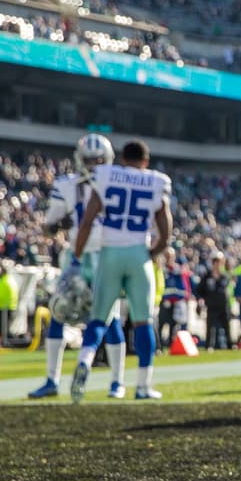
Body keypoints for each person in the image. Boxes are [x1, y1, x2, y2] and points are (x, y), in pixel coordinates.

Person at [69, 139, 173, 402]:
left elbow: (87, 220)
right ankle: (143, 386)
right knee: (143, 322)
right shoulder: (156, 181)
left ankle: (85, 360)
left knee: (98, 318)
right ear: (146, 162)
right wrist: (150, 253)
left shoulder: (107, 175)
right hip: (139, 251)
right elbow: (166, 232)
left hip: (110, 252)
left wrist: (78, 255)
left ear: (122, 159)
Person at [31, 134, 128, 399]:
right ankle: (52, 379)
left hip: (102, 255)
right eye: (90, 160)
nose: (95, 164)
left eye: (99, 159)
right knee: (59, 313)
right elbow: (49, 228)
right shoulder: (67, 185)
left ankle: (117, 382)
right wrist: (61, 224)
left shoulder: (113, 183)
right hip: (81, 256)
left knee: (111, 319)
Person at [197, 253, 232, 351]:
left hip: (223, 305)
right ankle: (209, 346)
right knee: (210, 327)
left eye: (220, 262)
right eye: (216, 262)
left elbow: (226, 288)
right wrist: (202, 299)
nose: (218, 264)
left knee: (226, 326)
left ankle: (230, 345)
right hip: (211, 305)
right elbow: (200, 290)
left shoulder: (225, 276)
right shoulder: (207, 276)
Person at [159, 249, 192, 350]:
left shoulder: (178, 270)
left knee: (174, 326)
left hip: (176, 302)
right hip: (165, 302)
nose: (169, 258)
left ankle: (170, 345)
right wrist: (164, 298)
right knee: (161, 323)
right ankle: (159, 346)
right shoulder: (162, 269)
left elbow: (184, 286)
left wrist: (182, 298)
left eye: (171, 256)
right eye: (167, 256)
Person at [0, 262, 18, 344]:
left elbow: (4, 295)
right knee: (3, 326)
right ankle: (4, 341)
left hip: (3, 307)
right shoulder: (6, 280)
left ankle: (5, 341)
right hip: (2, 307)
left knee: (3, 326)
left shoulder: (6, 281)